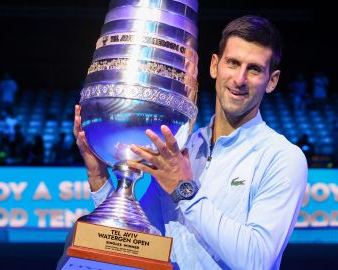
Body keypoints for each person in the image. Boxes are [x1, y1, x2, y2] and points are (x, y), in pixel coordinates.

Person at [60, 15, 308, 269]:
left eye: (254, 69)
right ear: (214, 66)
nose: (240, 79)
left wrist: (185, 191)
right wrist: (99, 177)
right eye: (233, 63)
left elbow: (257, 260)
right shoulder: (182, 147)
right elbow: (139, 241)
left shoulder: (282, 157)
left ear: (272, 80)